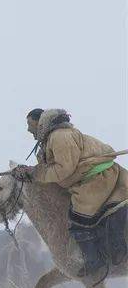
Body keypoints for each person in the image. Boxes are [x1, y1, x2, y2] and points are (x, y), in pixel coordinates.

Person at [12, 109, 127, 276]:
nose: (28, 129)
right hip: (92, 179)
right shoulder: (51, 139)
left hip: (98, 179)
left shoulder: (60, 136)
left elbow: (63, 169)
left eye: (30, 124)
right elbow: (48, 168)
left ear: (41, 122)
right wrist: (29, 171)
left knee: (79, 218)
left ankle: (96, 260)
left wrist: (33, 173)